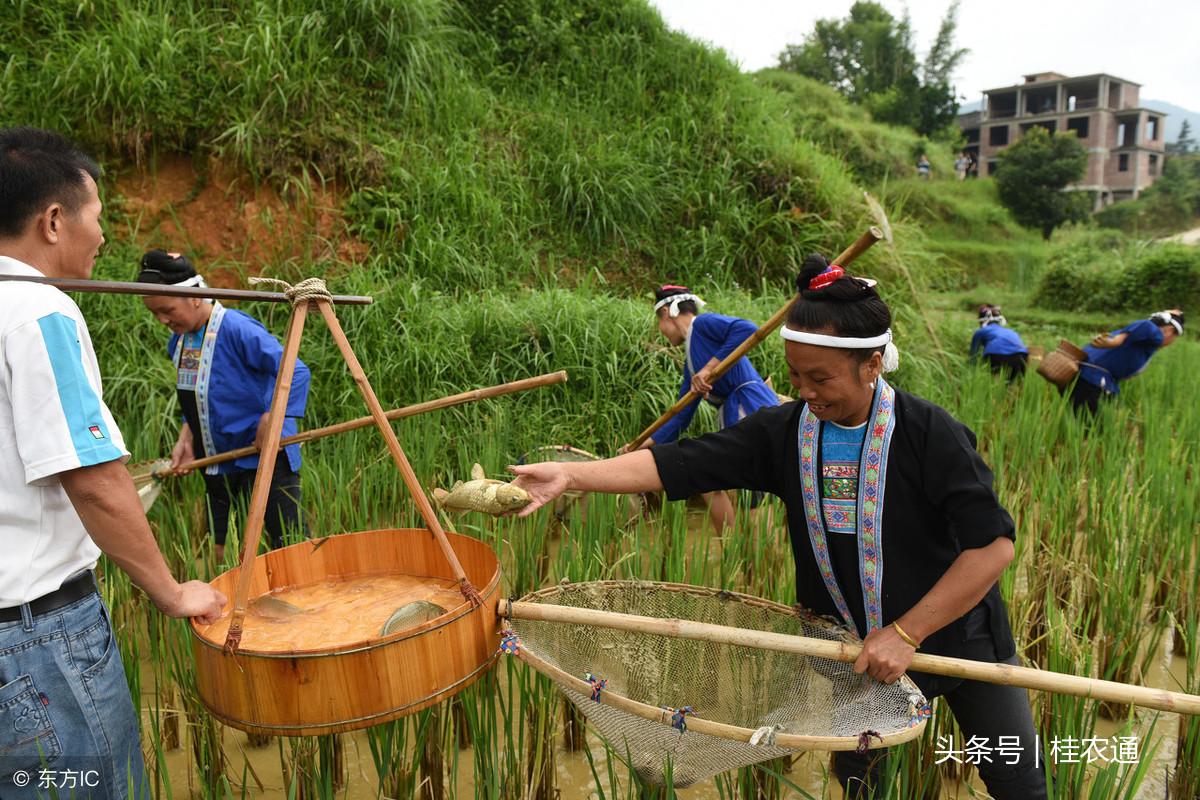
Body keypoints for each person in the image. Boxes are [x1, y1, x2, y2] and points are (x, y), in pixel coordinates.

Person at [511, 255, 1045, 799]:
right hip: (854, 653)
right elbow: (679, 464)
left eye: (820, 377)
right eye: (794, 376)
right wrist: (571, 474)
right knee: (863, 785)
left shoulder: (931, 435)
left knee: (1017, 778)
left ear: (872, 365)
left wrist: (907, 633)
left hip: (959, 639)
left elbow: (992, 547)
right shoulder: (785, 432)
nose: (805, 391)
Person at [0, 126, 226, 799]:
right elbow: (93, 479)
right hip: (37, 644)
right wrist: (170, 589)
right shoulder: (40, 313)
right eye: (98, 216)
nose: (103, 236)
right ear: (52, 220)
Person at [137, 250, 311, 562]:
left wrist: (274, 416)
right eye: (154, 314)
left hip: (264, 459)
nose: (163, 320)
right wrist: (186, 438)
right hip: (217, 463)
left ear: (194, 297)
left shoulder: (236, 329)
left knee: (289, 549)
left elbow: (295, 370)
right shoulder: (179, 341)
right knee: (225, 551)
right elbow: (197, 395)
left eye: (167, 310)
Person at [621, 285, 779, 531]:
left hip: (750, 408)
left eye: (658, 323)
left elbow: (747, 329)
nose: (661, 332)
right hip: (733, 414)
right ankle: (732, 544)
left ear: (666, 312)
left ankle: (751, 550)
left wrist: (709, 369)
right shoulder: (691, 362)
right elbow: (680, 416)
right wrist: (638, 446)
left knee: (754, 487)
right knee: (706, 478)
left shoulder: (703, 324)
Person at [1068, 310, 1184, 415]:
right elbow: (1147, 326)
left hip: (1092, 379)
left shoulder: (1143, 341)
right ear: (1170, 331)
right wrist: (1116, 341)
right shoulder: (1156, 335)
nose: (1172, 342)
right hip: (1093, 381)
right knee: (1092, 427)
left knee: (1088, 423)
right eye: (1175, 337)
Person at [969, 304, 1029, 382]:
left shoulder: (980, 332)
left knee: (995, 383)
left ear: (982, 321)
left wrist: (971, 371)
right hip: (1022, 356)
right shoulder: (1010, 331)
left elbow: (973, 355)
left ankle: (996, 386)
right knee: (1015, 384)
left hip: (997, 355)